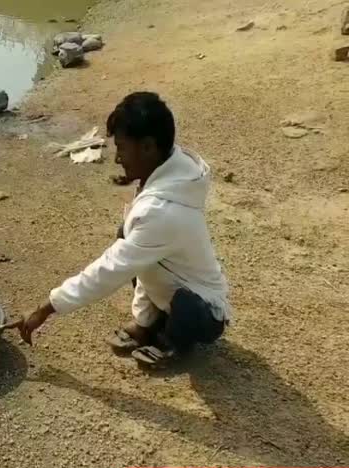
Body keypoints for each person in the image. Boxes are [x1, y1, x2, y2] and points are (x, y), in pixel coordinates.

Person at [14, 92, 231, 367]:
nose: (117, 159)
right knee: (126, 235)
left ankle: (172, 343)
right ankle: (150, 324)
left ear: (149, 147)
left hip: (203, 313)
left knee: (181, 302)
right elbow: (142, 262)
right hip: (171, 288)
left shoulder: (162, 211)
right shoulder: (171, 171)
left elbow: (112, 269)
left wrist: (45, 307)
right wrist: (142, 320)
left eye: (122, 148)